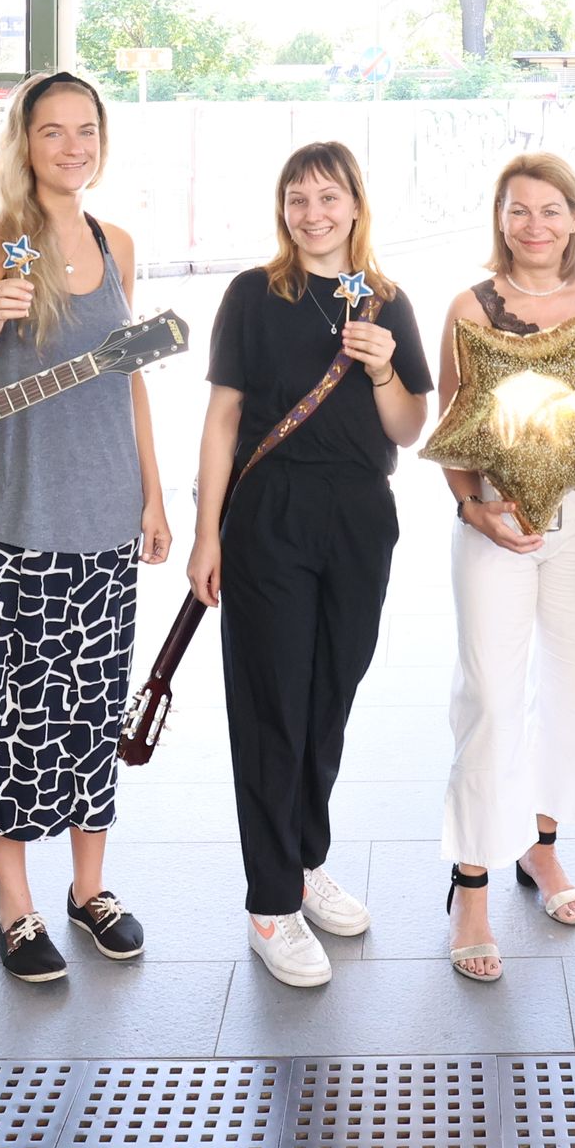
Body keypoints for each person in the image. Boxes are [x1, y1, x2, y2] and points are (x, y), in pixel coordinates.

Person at [0, 70, 169, 983]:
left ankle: (88, 888)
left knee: (89, 708)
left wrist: (153, 494)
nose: (72, 146)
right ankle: (15, 906)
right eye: (52, 131)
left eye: (86, 130)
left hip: (106, 514)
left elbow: (131, 373)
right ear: (23, 143)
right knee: (7, 715)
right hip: (19, 517)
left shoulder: (117, 243)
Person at [187, 141, 431, 990]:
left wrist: (385, 366)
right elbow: (222, 419)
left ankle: (305, 859)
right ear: (283, 208)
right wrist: (206, 532)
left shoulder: (388, 300)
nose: (313, 211)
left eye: (328, 196)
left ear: (356, 205)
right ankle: (268, 900)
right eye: (298, 197)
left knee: (331, 694)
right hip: (270, 513)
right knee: (272, 706)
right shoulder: (254, 294)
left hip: (361, 515)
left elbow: (408, 427)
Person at [432, 153, 575, 984]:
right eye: (519, 210)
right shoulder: (468, 306)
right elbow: (449, 426)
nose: (536, 225)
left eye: (552, 210)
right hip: (494, 517)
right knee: (489, 696)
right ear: (501, 218)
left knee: (569, 692)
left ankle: (540, 849)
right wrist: (470, 506)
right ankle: (471, 883)